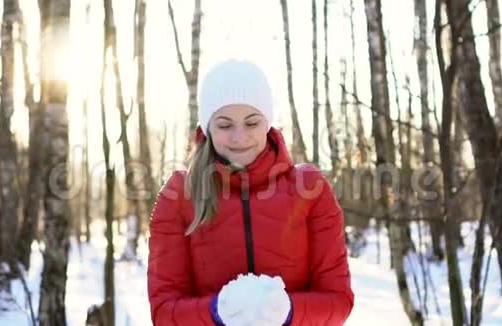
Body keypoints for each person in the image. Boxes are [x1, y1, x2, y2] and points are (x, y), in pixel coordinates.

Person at [147, 59, 354, 325]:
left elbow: (337, 301)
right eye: (224, 125)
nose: (239, 137)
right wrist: (216, 312)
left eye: (252, 122)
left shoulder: (310, 189)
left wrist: (288, 312)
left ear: (267, 123)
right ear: (208, 128)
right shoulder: (178, 195)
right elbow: (164, 312)